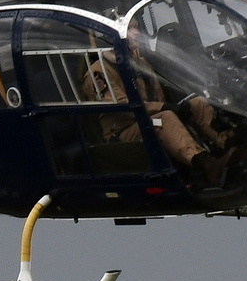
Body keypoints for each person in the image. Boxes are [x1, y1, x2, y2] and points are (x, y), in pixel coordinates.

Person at [84, 30, 236, 187]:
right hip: (124, 131)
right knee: (164, 119)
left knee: (198, 103)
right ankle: (207, 165)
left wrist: (178, 108)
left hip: (151, 117)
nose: (137, 32)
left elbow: (158, 96)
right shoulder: (99, 72)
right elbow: (124, 107)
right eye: (130, 28)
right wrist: (164, 108)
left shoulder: (140, 64)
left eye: (136, 27)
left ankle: (230, 148)